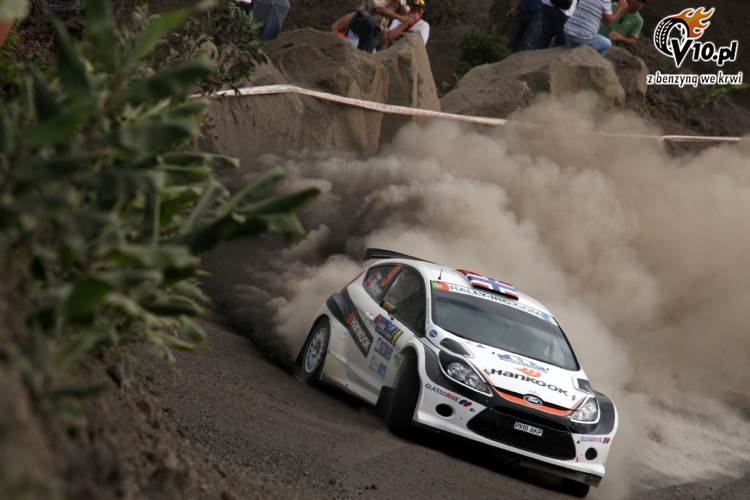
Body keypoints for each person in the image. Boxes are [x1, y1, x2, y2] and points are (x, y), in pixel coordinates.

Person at [563, 0, 629, 56]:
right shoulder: (605, 1)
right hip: (582, 37)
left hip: (568, 31)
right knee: (607, 44)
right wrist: (620, 7)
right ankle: (592, 63)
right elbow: (609, 21)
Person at [347, 0, 414, 53]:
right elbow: (378, 9)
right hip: (361, 23)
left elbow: (403, 14)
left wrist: (400, 4)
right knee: (370, 22)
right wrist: (399, 17)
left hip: (375, 31)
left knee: (383, 34)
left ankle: (370, 53)